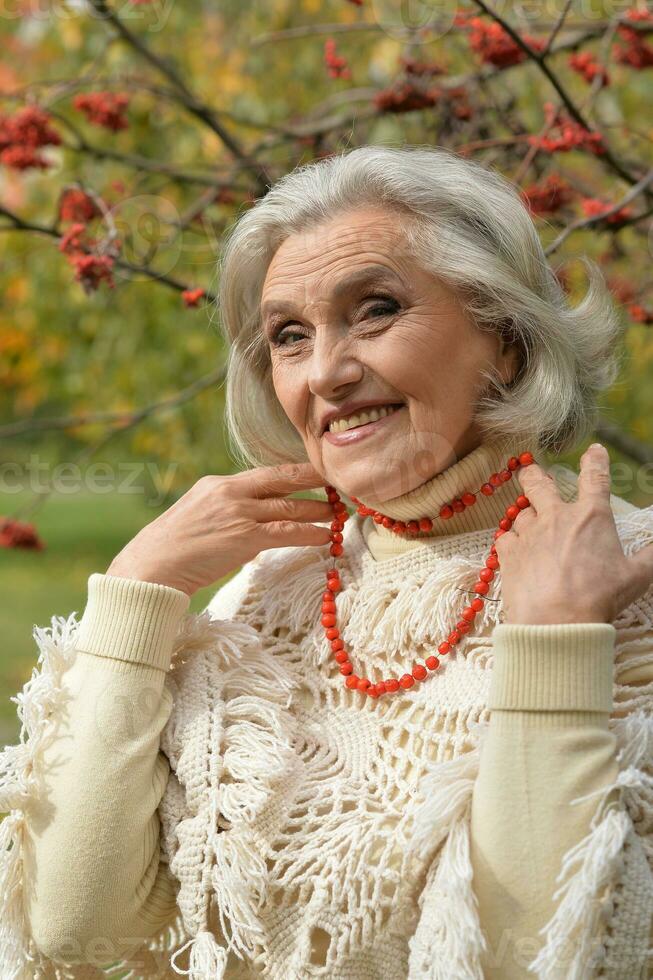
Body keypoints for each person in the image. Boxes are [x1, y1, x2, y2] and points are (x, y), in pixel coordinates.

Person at [2, 145, 653, 980]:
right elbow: (71, 923)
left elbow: (547, 958)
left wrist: (554, 644)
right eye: (288, 336)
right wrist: (137, 595)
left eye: (375, 310)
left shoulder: (627, 582)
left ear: (506, 340)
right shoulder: (261, 596)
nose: (327, 373)